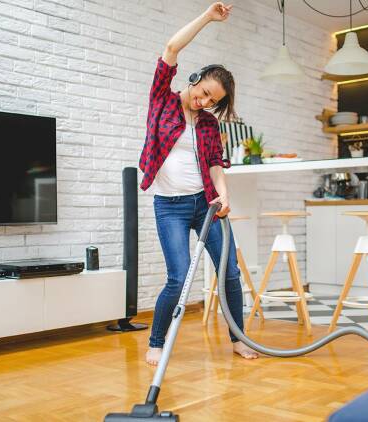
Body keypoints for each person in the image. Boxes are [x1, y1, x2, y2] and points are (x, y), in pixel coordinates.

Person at [139, 2, 259, 365]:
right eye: (203, 91)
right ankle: (156, 342)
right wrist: (208, 17)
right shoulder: (162, 99)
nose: (203, 101)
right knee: (178, 278)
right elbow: (172, 47)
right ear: (195, 79)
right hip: (170, 207)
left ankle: (238, 339)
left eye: (212, 100)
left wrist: (224, 195)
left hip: (205, 204)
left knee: (230, 273)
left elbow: (215, 164)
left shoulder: (208, 122)